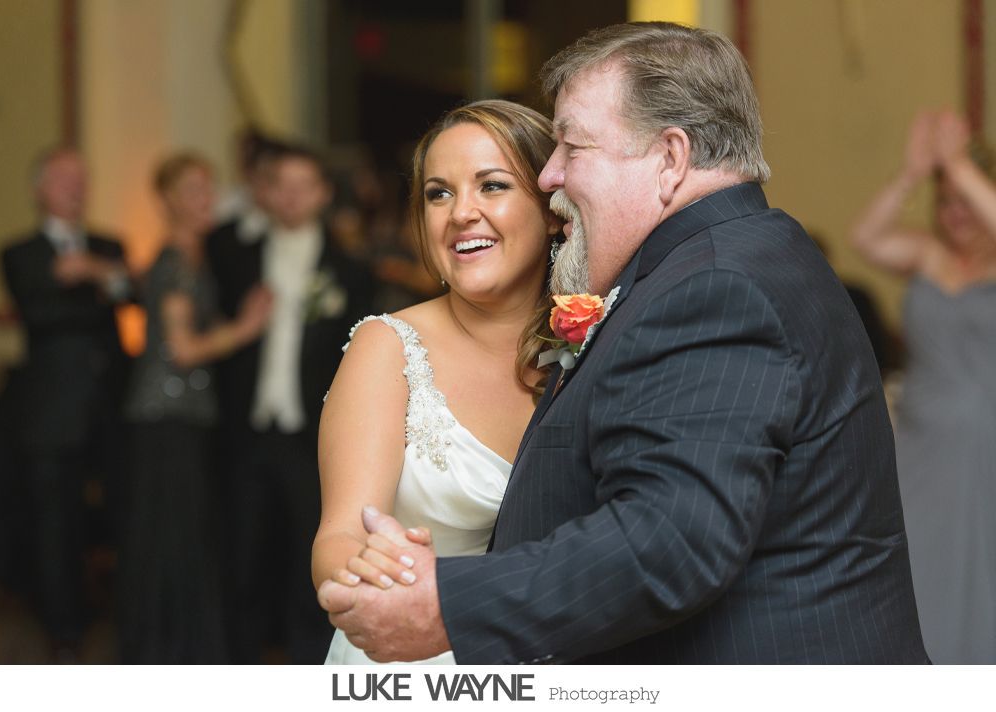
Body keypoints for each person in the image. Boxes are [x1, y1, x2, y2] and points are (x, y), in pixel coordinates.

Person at [319, 22, 929, 664]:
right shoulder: (731, 259)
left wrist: (450, 605)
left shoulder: (715, 288)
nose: (551, 177)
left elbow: (673, 540)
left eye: (572, 148)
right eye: (437, 193)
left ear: (670, 157)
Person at [312, 99, 563, 664]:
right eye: (438, 193)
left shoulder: (594, 341)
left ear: (553, 208)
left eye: (492, 186)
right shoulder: (389, 348)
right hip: (415, 663)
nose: (460, 213)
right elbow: (339, 537)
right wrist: (363, 569)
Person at [209, 144, 374, 663]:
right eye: (281, 184)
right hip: (244, 431)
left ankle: (309, 673)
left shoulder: (349, 272)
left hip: (314, 437)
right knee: (240, 560)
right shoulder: (230, 256)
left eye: (305, 186)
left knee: (313, 560)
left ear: (323, 194)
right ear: (265, 191)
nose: (292, 196)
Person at [851, 109, 996, 664]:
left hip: (984, 447)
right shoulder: (928, 255)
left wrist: (956, 165)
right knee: (918, 565)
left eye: (966, 201)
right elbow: (866, 236)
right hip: (919, 443)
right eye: (946, 202)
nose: (955, 214)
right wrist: (914, 174)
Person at [119, 153, 272, 663]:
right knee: (171, 540)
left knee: (181, 538)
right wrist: (246, 329)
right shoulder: (175, 261)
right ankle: (170, 656)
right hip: (166, 419)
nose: (204, 200)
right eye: (192, 191)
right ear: (167, 201)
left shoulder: (195, 256)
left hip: (182, 418)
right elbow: (181, 349)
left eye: (208, 189)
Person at [0, 147, 131, 658]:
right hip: (52, 409)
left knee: (119, 508)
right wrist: (99, 283)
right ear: (39, 190)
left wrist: (90, 273)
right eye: (63, 179)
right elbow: (42, 312)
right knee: (55, 519)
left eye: (81, 178)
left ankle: (122, 614)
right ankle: (63, 626)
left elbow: (130, 293)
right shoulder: (20, 250)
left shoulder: (105, 244)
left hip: (110, 403)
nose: (76, 188)